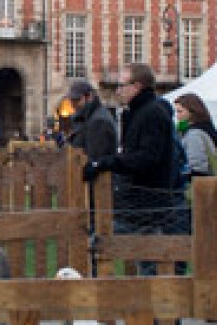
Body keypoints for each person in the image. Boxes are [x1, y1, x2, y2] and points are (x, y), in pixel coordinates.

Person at [83, 64, 177, 276]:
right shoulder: (138, 113)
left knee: (142, 258)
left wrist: (107, 163)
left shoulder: (152, 114)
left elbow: (146, 158)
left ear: (137, 86)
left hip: (147, 201)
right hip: (137, 200)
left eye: (122, 85)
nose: (118, 91)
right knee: (136, 256)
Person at [65, 80, 117, 161]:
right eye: (72, 101)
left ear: (89, 97)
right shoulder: (88, 117)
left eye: (77, 100)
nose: (73, 104)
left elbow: (95, 159)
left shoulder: (99, 121)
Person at [172, 93, 217, 177]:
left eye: (180, 111)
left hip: (195, 184)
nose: (177, 116)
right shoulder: (197, 131)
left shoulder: (194, 134)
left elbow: (197, 167)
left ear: (192, 112)